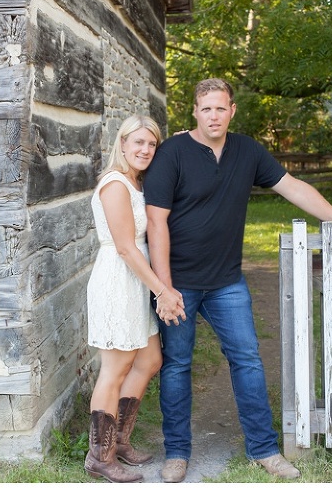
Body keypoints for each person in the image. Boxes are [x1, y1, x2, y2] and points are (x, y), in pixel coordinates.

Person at [144, 78, 332, 483]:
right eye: (206, 108)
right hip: (179, 283)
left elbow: (294, 188)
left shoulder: (247, 151)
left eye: (221, 108)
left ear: (232, 111)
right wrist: (164, 288)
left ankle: (264, 449)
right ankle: (177, 451)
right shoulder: (172, 153)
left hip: (226, 281)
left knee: (247, 360)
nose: (214, 115)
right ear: (194, 110)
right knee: (176, 365)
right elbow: (156, 222)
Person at [84, 114, 186, 483]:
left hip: (136, 283)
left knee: (150, 360)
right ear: (122, 144)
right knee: (115, 369)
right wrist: (162, 289)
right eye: (138, 142)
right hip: (118, 281)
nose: (145, 149)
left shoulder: (134, 182)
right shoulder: (114, 185)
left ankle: (119, 441)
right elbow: (126, 248)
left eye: (151, 143)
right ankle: (100, 456)